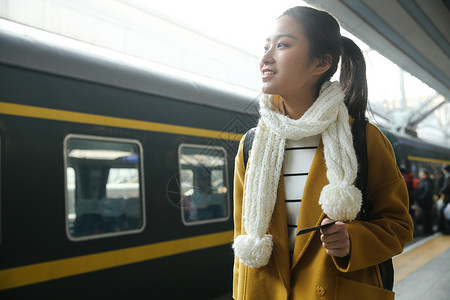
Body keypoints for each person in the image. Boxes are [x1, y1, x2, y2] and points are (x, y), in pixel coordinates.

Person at [232, 6, 413, 300]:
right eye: (266, 46)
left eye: (282, 45)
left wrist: (353, 240)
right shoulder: (251, 145)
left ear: (321, 63)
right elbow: (243, 235)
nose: (265, 58)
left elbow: (399, 226)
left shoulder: (363, 139)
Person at [415, 169, 433, 235]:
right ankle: (428, 231)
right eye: (420, 174)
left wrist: (420, 198)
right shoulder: (422, 181)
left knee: (426, 217)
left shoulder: (427, 182)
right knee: (426, 217)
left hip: (426, 203)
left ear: (425, 175)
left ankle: (427, 232)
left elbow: (427, 192)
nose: (420, 175)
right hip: (423, 202)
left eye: (422, 174)